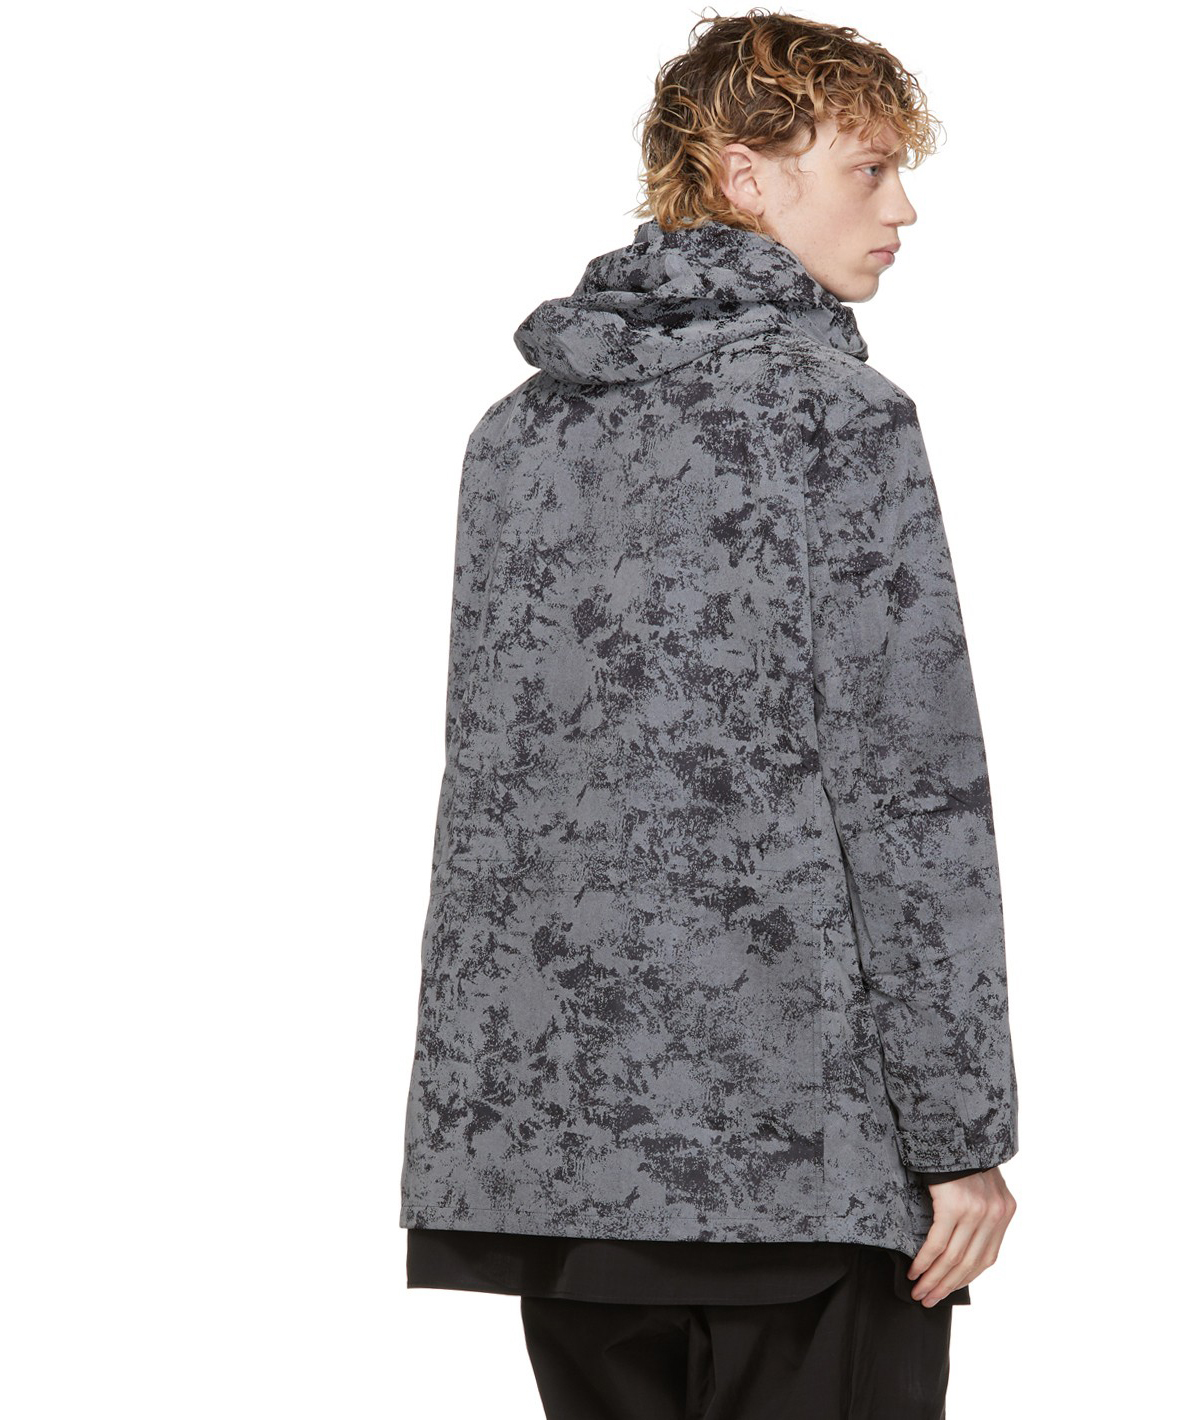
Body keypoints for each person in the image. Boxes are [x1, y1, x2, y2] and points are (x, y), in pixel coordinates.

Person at [400, 11, 1020, 1416]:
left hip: (554, 1171)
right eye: (869, 170)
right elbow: (910, 790)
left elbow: (497, 799)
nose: (904, 210)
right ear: (746, 176)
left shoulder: (517, 432)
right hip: (799, 1156)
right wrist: (959, 1132)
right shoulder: (834, 419)